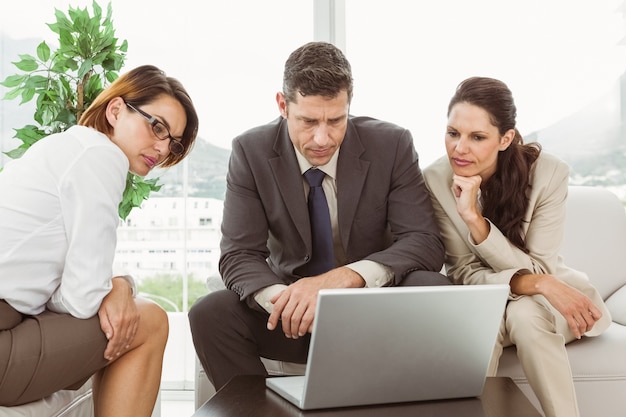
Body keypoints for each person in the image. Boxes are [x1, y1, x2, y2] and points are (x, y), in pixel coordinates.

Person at [189, 41, 449, 391]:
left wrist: (343, 278)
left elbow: (424, 243)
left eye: (336, 120)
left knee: (433, 289)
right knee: (210, 314)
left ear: (349, 106)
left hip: (372, 311)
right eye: (308, 121)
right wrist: (287, 301)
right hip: (291, 319)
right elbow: (239, 254)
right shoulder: (250, 151)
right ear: (283, 105)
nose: (322, 138)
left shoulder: (392, 144)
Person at [0, 65, 199, 416]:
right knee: (151, 321)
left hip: (11, 322)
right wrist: (117, 286)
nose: (163, 147)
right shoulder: (100, 156)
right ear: (116, 110)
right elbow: (83, 299)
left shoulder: (67, 147)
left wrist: (116, 285)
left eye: (173, 141)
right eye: (157, 127)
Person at [423, 76, 611, 417]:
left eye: (477, 137)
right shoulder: (436, 178)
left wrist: (477, 223)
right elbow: (463, 273)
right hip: (505, 298)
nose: (459, 148)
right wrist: (538, 282)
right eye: (453, 133)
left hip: (554, 302)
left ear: (505, 138)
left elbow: (541, 267)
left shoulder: (549, 174)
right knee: (483, 322)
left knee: (524, 314)